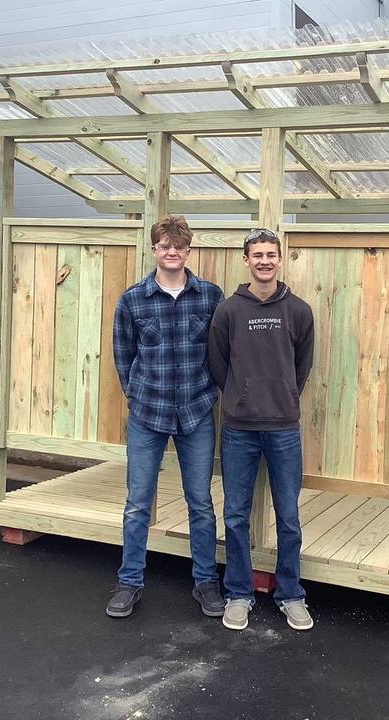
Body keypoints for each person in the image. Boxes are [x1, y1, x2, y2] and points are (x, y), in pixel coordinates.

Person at [107, 215, 226, 619]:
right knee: (138, 503)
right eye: (164, 246)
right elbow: (123, 354)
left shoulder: (210, 297)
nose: (171, 252)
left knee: (201, 503)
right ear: (154, 250)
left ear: (188, 250)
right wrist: (137, 393)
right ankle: (129, 582)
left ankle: (205, 582)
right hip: (148, 412)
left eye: (178, 246)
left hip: (196, 412)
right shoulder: (133, 300)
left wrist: (210, 390)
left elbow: (220, 350)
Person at [208, 228, 315, 631]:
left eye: (271, 255)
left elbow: (302, 366)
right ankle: (239, 593)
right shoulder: (228, 311)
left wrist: (282, 395)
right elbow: (218, 364)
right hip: (239, 428)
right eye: (258, 255)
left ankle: (291, 594)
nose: (265, 261)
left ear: (280, 259)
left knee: (288, 516)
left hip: (284, 427)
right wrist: (240, 396)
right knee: (235, 515)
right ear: (246, 260)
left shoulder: (299, 311)